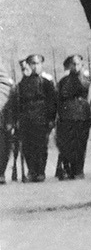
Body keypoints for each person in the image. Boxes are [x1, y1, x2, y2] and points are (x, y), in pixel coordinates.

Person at [13, 54, 56, 182]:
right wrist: (17, 120)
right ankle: (31, 171)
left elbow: (52, 103)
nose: (35, 66)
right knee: (27, 146)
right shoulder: (22, 83)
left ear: (41, 65)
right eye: (33, 64)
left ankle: (40, 172)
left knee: (41, 146)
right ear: (29, 65)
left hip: (41, 119)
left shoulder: (46, 83)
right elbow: (18, 103)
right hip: (26, 119)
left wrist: (51, 119)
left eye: (38, 64)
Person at [56, 55, 91, 180]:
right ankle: (69, 169)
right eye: (73, 64)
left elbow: (87, 92)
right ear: (69, 66)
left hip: (83, 115)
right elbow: (59, 100)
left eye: (78, 64)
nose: (76, 67)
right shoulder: (63, 81)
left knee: (81, 144)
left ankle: (78, 170)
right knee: (68, 144)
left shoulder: (85, 79)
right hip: (67, 116)